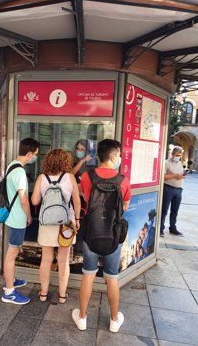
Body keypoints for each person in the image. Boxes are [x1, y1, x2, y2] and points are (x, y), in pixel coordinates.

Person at [72, 139, 131, 333]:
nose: (120, 158)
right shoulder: (123, 180)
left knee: (88, 274)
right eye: (119, 155)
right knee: (112, 278)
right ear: (113, 157)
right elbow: (125, 208)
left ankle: (82, 317)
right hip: (113, 235)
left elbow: (85, 198)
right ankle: (114, 321)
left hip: (91, 232)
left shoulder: (88, 177)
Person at [31, 149, 81, 304]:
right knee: (63, 260)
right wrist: (77, 219)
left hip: (47, 223)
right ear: (65, 162)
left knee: (46, 259)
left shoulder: (41, 178)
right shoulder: (70, 177)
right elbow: (77, 202)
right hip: (66, 223)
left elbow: (34, 201)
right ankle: (62, 295)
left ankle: (44, 293)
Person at [1, 137, 40, 305]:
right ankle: (9, 292)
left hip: (12, 216)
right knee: (12, 253)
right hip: (18, 219)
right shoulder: (20, 172)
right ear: (30, 153)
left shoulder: (12, 165)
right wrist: (29, 216)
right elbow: (24, 200)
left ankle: (11, 279)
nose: (36, 157)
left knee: (12, 251)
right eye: (36, 154)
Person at [160, 146, 186, 237]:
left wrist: (181, 176)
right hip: (168, 189)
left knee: (175, 211)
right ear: (172, 154)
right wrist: (175, 176)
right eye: (177, 155)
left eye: (180, 155)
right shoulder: (166, 163)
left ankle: (172, 228)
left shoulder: (179, 163)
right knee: (164, 210)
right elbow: (162, 177)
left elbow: (179, 174)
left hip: (178, 190)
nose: (178, 157)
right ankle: (160, 229)